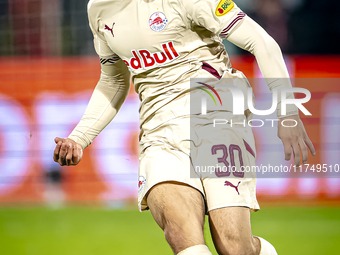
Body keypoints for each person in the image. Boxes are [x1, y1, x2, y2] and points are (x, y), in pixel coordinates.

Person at [53, 0, 315, 254]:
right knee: (184, 238)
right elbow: (114, 81)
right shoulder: (99, 8)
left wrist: (288, 113)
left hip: (216, 111)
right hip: (159, 130)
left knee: (235, 247)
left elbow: (261, 42)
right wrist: (79, 138)